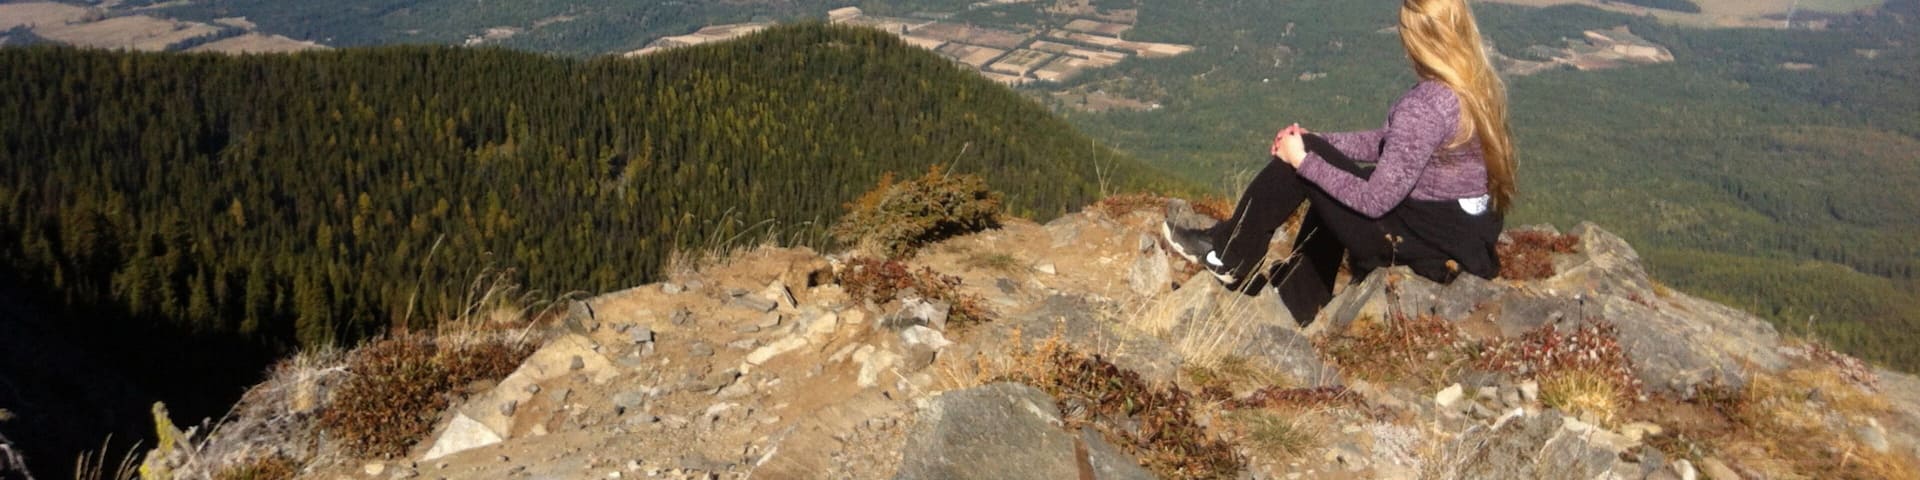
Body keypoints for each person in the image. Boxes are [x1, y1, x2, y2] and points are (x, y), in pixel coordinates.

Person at [1161, 0, 1516, 325]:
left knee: (1318, 172)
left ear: (1416, 40)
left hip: (1426, 248)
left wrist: (1302, 160)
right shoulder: (1473, 89)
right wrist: (1319, 142)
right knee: (1325, 170)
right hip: (1458, 238)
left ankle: (1230, 252)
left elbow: (1373, 200)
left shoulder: (1424, 106)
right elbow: (1393, 146)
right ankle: (1299, 299)